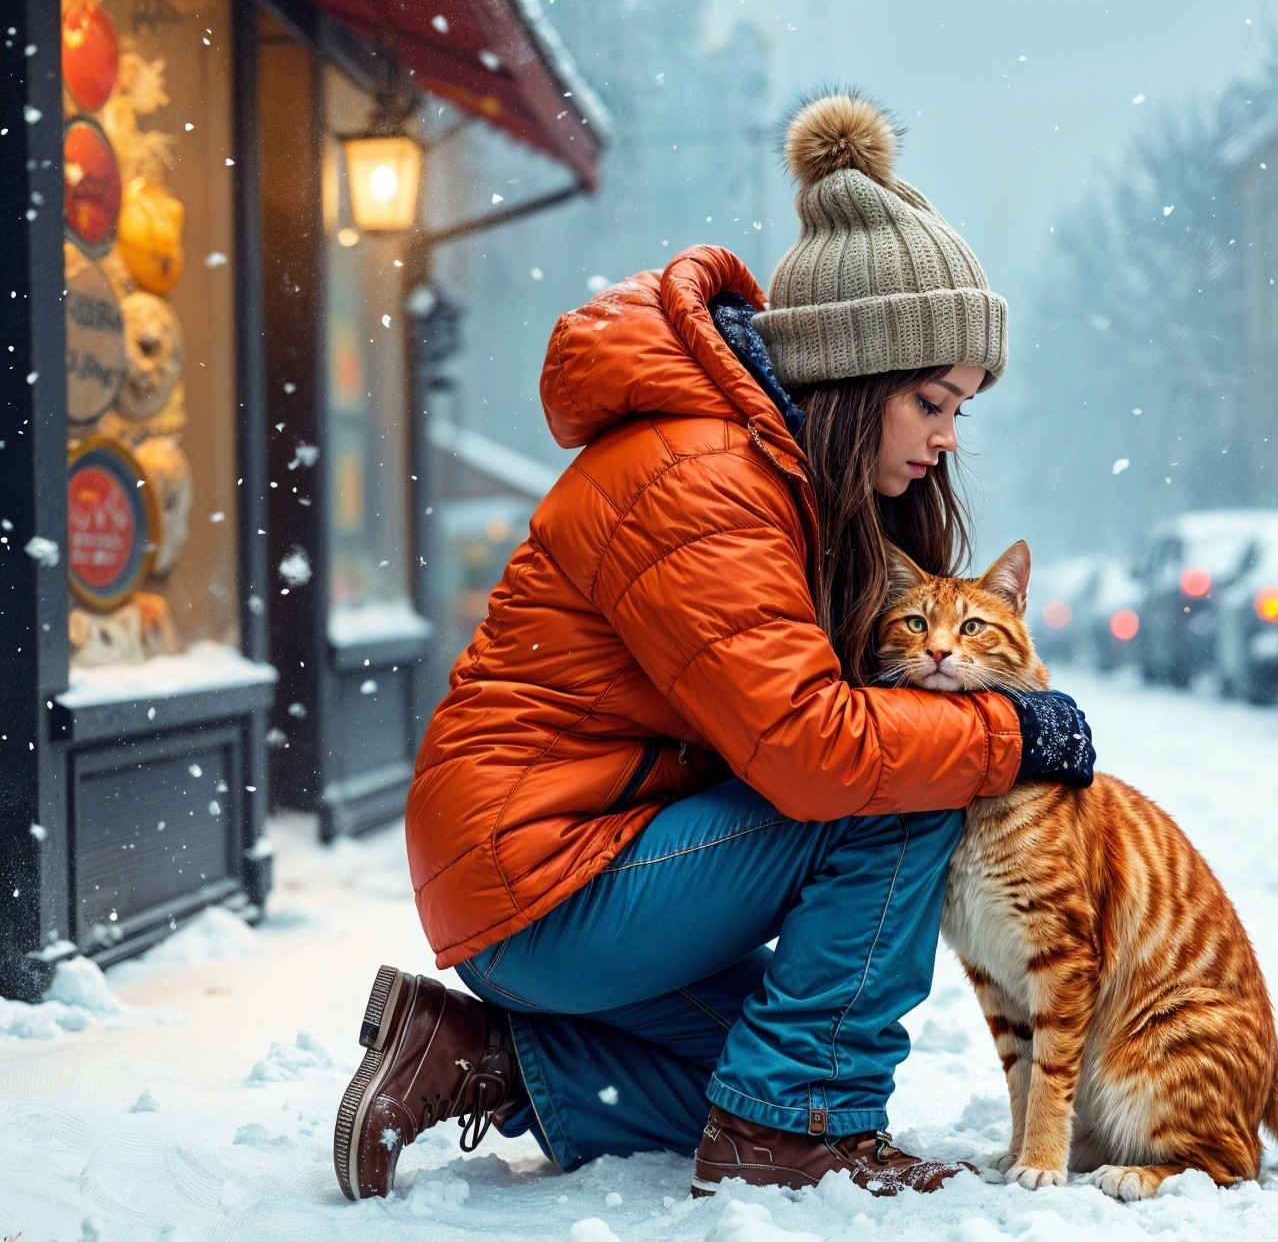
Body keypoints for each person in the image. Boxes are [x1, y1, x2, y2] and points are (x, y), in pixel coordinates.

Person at [332, 91, 1095, 1203]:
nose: (944, 438)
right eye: (931, 401)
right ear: (852, 378)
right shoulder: (705, 479)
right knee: (902, 790)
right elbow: (812, 754)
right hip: (547, 872)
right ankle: (797, 1134)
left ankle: (469, 1056)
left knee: (745, 1070)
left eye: (960, 411)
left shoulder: (780, 478)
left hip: (568, 865)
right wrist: (1009, 731)